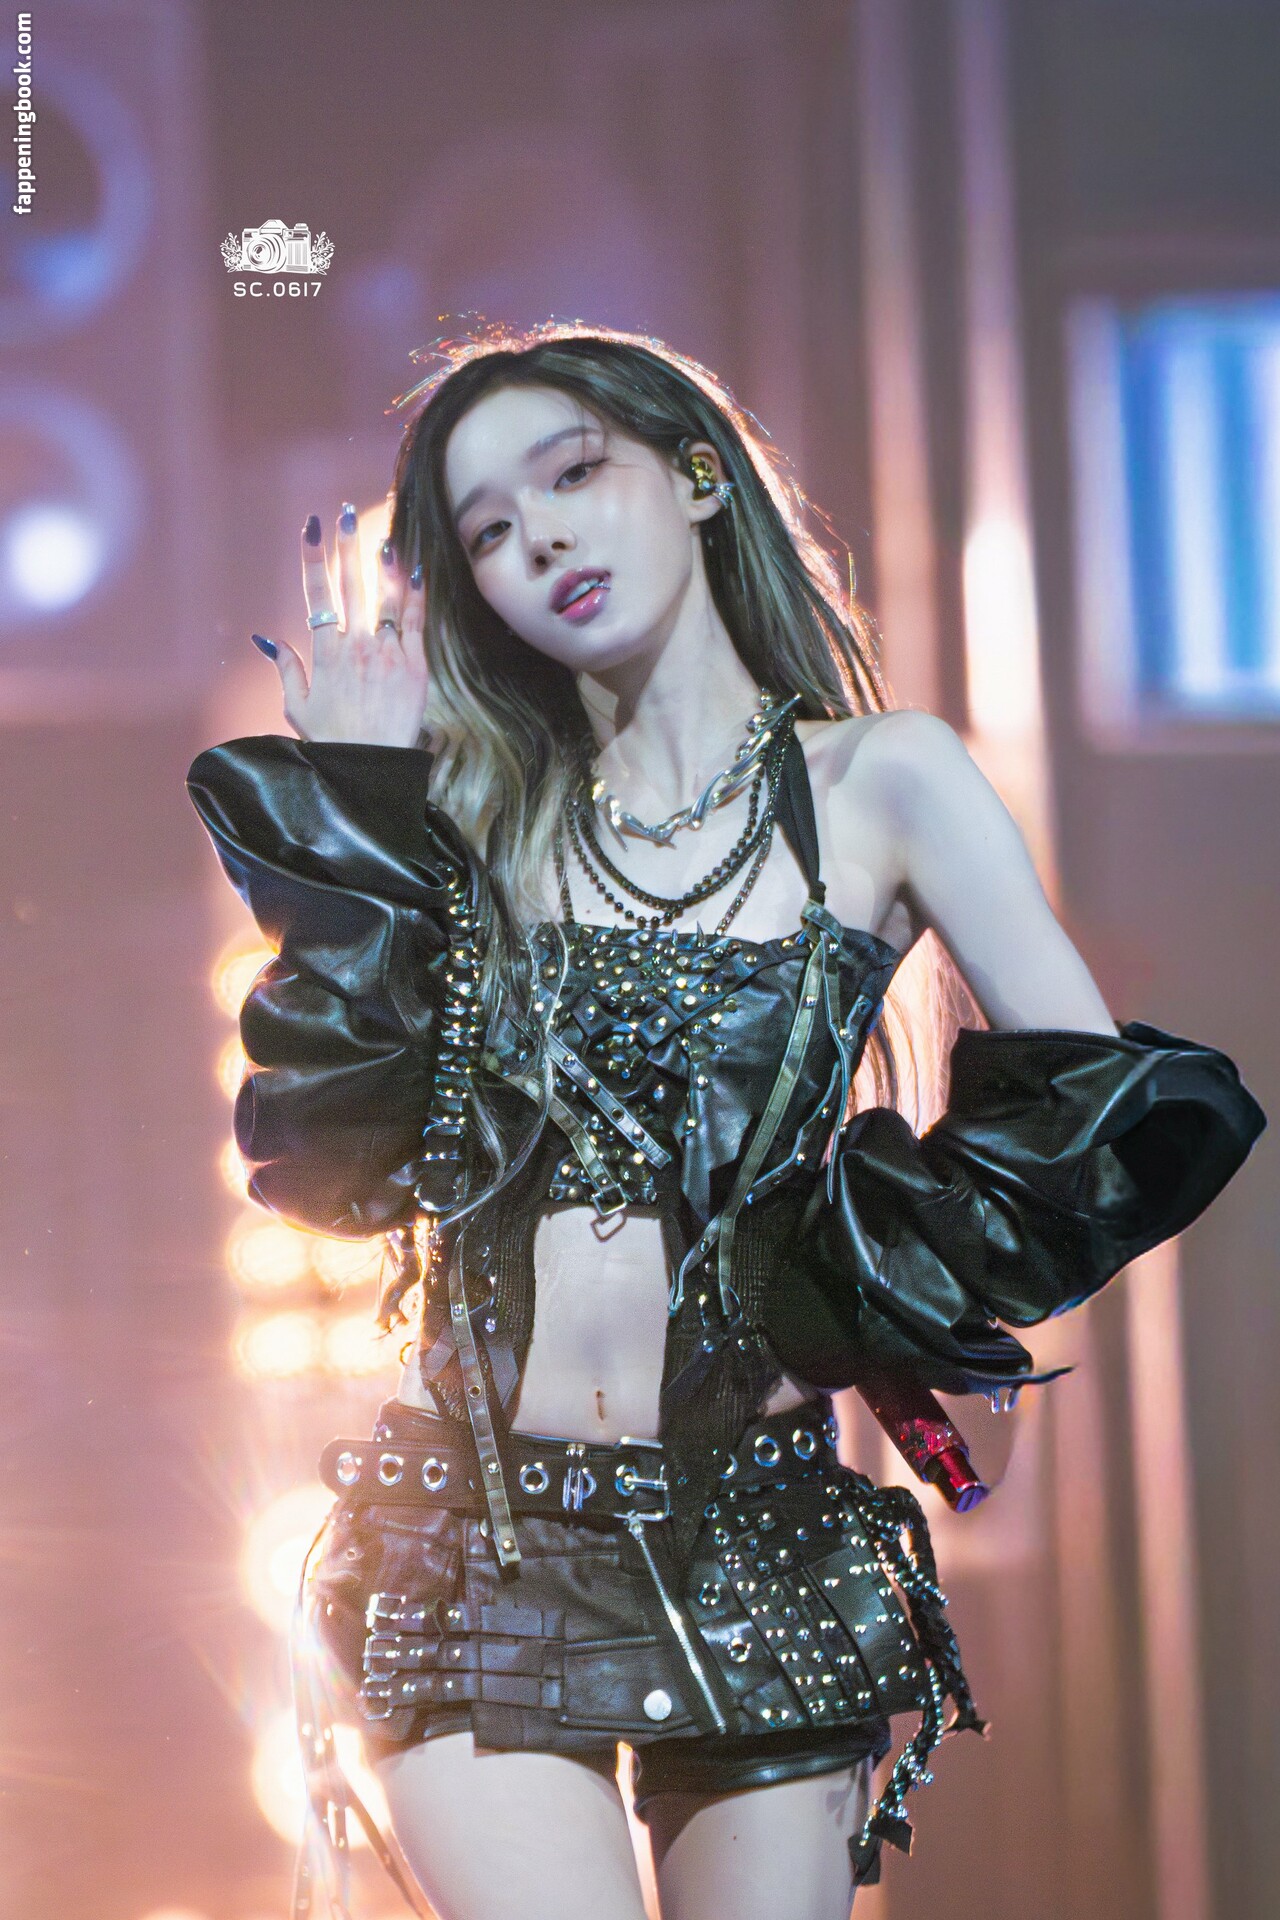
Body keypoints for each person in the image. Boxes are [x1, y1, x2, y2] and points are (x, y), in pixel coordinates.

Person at [187, 321, 1264, 1920]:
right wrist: (355, 811)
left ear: (699, 477)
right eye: (488, 529)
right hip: (474, 1534)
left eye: (573, 474)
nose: (540, 539)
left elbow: (1093, 1123)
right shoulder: (463, 809)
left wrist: (846, 1282)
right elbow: (328, 1167)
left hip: (759, 1530)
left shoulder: (885, 781)